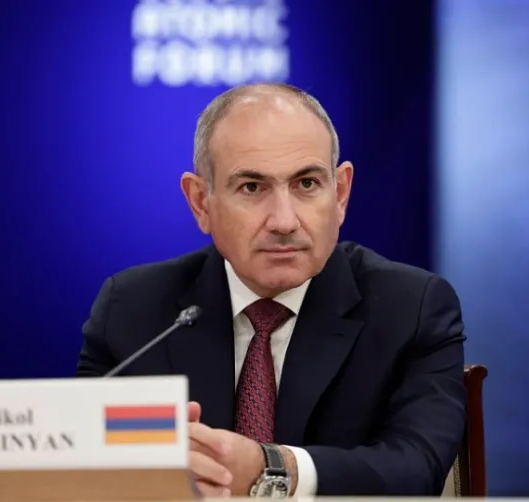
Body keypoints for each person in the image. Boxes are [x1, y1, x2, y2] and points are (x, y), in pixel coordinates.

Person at [77, 83, 466, 497]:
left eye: (307, 184)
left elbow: (416, 468)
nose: (284, 221)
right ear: (201, 202)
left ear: (340, 194)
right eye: (252, 187)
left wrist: (273, 468)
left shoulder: (411, 308)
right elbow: (79, 464)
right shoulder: (134, 310)